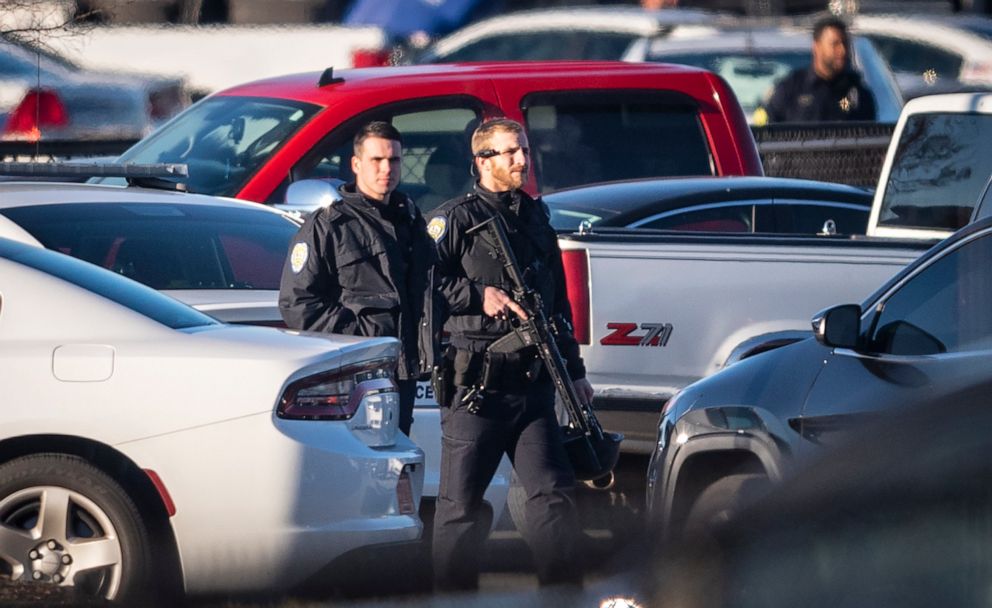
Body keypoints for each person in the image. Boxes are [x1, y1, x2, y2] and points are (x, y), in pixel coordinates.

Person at [427, 118, 595, 591]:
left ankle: (565, 597)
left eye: (523, 149)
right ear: (482, 161)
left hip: (533, 387)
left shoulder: (534, 215)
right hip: (477, 391)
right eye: (509, 152)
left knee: (554, 500)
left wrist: (575, 371)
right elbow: (424, 280)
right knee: (460, 512)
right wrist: (476, 295)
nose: (522, 160)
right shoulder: (455, 218)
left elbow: (557, 300)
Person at [278, 121, 436, 436]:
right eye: (376, 160)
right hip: (352, 373)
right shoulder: (329, 226)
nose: (386, 168)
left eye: (393, 160)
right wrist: (363, 337)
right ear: (356, 164)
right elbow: (297, 302)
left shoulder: (412, 222)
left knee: (397, 462)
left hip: (401, 371)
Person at [761, 16, 876, 123]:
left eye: (845, 43)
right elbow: (768, 133)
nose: (842, 51)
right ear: (817, 46)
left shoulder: (857, 93)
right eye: (835, 44)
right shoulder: (790, 90)